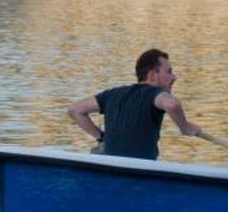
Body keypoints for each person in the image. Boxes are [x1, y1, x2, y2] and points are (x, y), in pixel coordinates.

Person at [65, 48, 201, 160]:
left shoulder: (112, 94)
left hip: (111, 168)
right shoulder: (154, 93)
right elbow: (172, 104)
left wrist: (101, 138)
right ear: (152, 75)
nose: (174, 77)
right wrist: (184, 127)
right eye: (169, 72)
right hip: (140, 173)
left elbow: (75, 110)